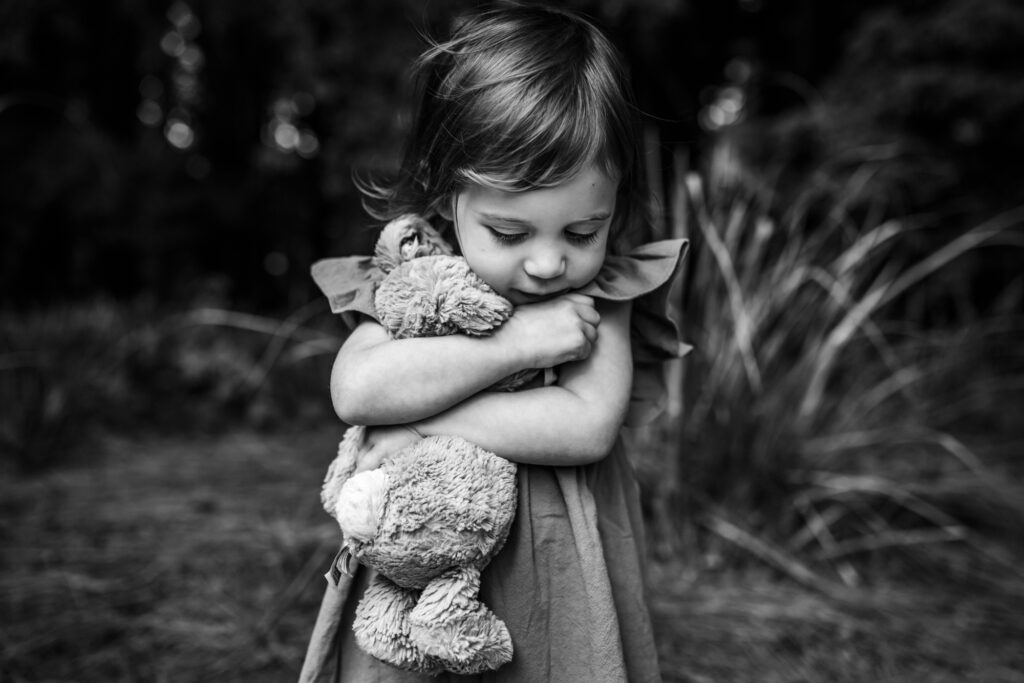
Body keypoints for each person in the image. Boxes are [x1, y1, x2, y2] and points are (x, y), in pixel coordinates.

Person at [301, 4, 689, 682]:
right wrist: (515, 344)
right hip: (423, 573)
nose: (547, 264)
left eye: (581, 232)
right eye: (511, 234)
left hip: (559, 567)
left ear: (614, 206)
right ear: (452, 198)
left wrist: (419, 412)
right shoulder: (418, 274)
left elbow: (586, 424)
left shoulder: (604, 298)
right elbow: (355, 388)